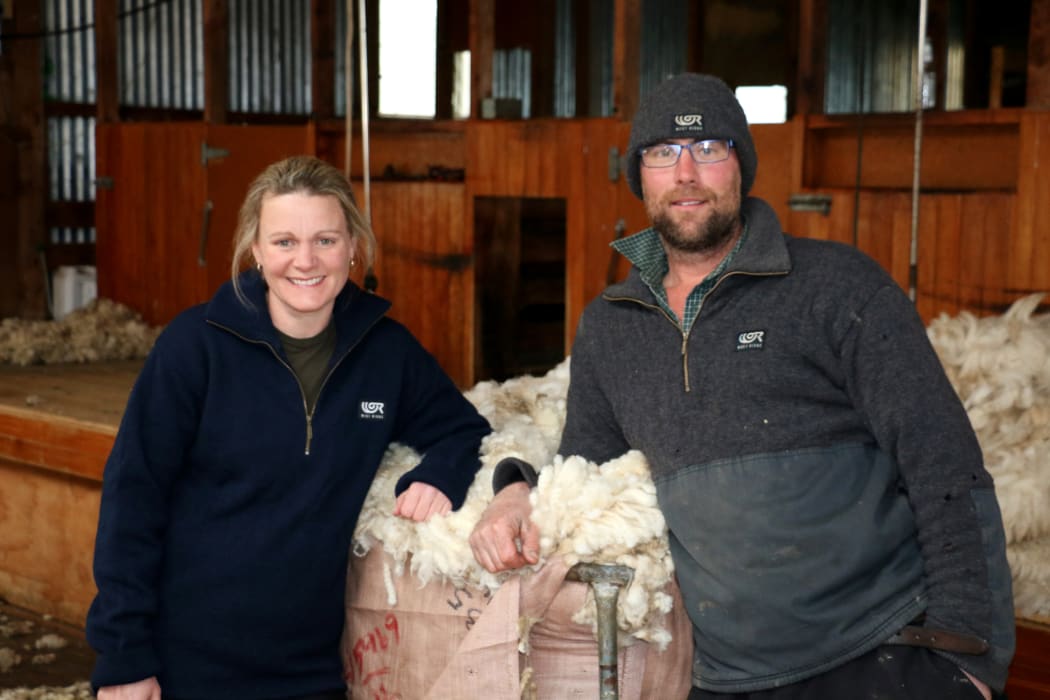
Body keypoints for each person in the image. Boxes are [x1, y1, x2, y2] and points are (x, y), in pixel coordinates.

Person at [469, 73, 1015, 700]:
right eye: (663, 152)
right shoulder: (611, 327)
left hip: (880, 651)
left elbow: (943, 463)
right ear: (639, 174)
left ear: (741, 166)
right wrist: (516, 488)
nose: (686, 172)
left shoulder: (838, 288)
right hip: (729, 678)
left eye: (709, 149)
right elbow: (585, 466)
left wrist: (972, 654)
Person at [86, 155, 491, 700]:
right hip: (186, 659)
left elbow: (462, 429)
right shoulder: (194, 347)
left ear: (352, 245)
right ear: (255, 250)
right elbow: (133, 498)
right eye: (284, 242)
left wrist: (440, 472)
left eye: (325, 240)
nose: (305, 260)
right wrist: (124, 657)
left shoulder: (386, 352)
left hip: (309, 668)